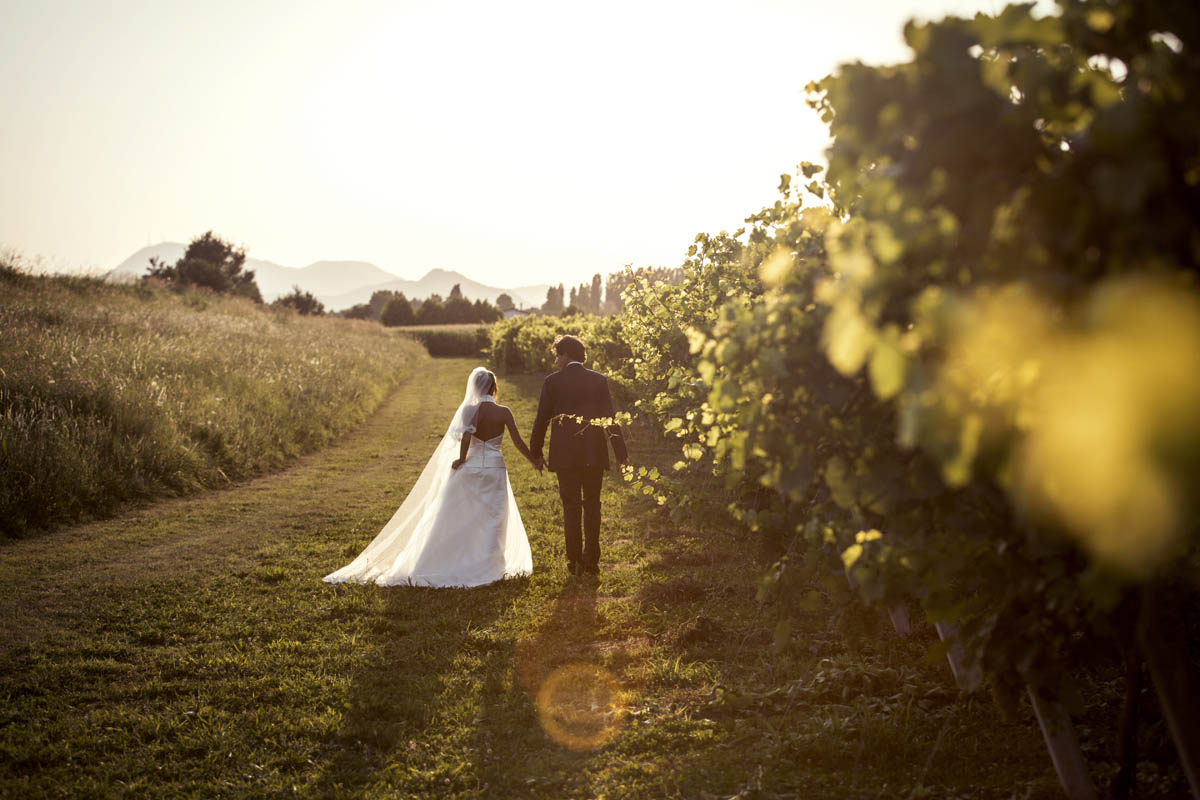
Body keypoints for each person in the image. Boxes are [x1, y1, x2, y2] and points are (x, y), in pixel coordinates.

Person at [324, 367, 537, 588]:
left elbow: (466, 438)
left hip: (472, 466)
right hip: (494, 468)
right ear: (494, 387)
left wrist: (461, 459)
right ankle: (491, 564)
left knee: (462, 515)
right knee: (495, 517)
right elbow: (518, 442)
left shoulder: (469, 411)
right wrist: (533, 461)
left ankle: (455, 559)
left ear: (474, 387)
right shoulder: (504, 412)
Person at [529, 334, 627, 577]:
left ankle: (574, 562)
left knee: (571, 507)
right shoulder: (598, 380)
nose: (555, 361)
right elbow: (610, 420)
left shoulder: (552, 383)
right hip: (594, 453)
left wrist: (536, 452)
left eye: (556, 356)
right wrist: (621, 454)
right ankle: (592, 561)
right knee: (593, 504)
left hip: (565, 456)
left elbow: (541, 419)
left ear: (565, 355)